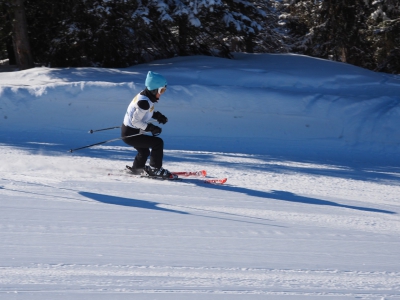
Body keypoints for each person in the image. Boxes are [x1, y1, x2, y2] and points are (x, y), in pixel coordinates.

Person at [121, 71, 176, 179]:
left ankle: (137, 168)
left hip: (130, 131)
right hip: (131, 134)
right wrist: (151, 128)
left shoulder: (146, 97)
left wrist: (157, 116)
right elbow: (135, 121)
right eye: (161, 90)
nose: (161, 93)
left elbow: (144, 113)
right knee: (158, 143)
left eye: (163, 90)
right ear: (154, 89)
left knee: (144, 150)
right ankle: (155, 169)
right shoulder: (144, 102)